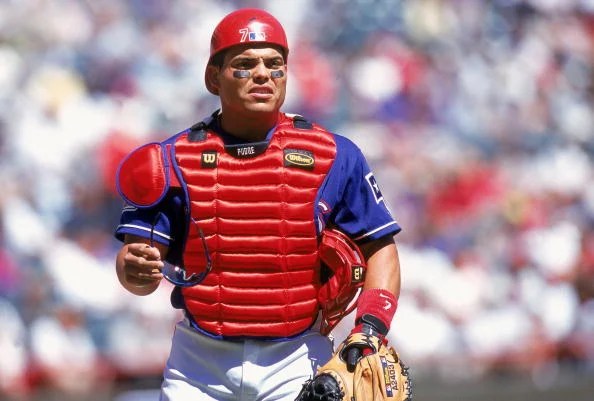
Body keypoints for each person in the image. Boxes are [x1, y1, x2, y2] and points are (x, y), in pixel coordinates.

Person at [114, 8, 402, 401]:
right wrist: (135, 268)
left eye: (274, 64)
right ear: (213, 77)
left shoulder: (335, 155)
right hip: (199, 362)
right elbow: (136, 274)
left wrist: (370, 329)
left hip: (298, 356)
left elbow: (380, 248)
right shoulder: (171, 160)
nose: (263, 74)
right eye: (246, 64)